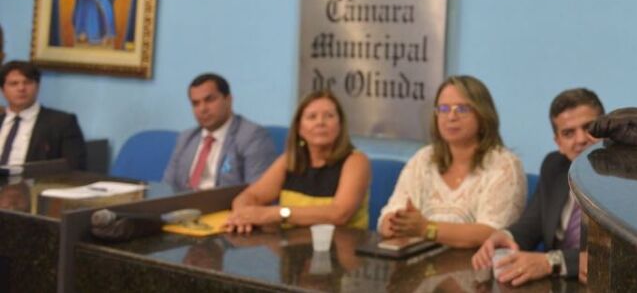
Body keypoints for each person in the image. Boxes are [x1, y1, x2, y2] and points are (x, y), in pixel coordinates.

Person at [472, 88, 604, 286]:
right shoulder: (554, 166)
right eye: (568, 133)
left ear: (606, 130)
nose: (580, 139)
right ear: (558, 142)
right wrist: (504, 237)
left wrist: (551, 262)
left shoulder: (627, 178)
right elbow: (532, 224)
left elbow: (612, 254)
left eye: (589, 128)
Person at [378, 75, 525, 248]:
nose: (451, 116)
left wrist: (426, 228)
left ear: (483, 115)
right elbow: (389, 215)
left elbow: (492, 233)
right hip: (421, 259)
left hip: (478, 263)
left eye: (462, 109)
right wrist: (395, 223)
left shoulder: (504, 165)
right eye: (444, 108)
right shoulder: (423, 159)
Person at [226, 90, 369, 232]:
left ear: (340, 125)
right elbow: (250, 196)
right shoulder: (289, 160)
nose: (320, 122)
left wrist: (275, 214)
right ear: (299, 128)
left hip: (340, 244)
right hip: (291, 244)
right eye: (312, 117)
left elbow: (339, 214)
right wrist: (242, 215)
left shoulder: (356, 161)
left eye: (329, 116)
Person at [162, 73, 277, 191]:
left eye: (209, 100)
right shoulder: (185, 138)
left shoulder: (252, 136)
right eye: (196, 103)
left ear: (228, 100)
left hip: (228, 203)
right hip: (183, 202)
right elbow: (167, 186)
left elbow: (259, 192)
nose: (202, 109)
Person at [0, 61, 86, 170]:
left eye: (27, 82)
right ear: (2, 90)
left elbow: (75, 168)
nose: (21, 88)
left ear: (37, 86)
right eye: (14, 84)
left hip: (37, 181)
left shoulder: (63, 123)